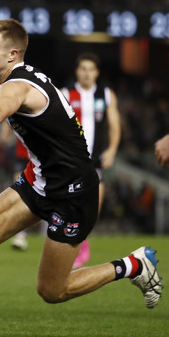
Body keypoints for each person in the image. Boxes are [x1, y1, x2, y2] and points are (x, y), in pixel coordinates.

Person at [0, 19, 163, 337]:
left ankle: (134, 266)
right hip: (37, 181)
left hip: (73, 192)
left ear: (12, 54)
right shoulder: (5, 80)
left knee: (52, 291)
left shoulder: (18, 86)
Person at [61, 52, 121, 268]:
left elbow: (114, 125)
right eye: (83, 69)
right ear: (77, 71)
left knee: (93, 206)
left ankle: (81, 240)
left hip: (95, 160)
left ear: (97, 72)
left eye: (90, 69)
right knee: (71, 203)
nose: (86, 73)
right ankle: (73, 245)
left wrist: (112, 149)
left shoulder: (105, 95)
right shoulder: (65, 94)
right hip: (70, 159)